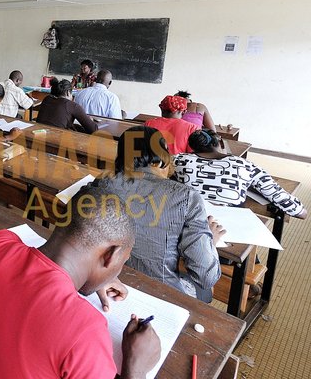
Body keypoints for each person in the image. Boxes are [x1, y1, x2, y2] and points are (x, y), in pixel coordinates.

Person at [0, 184, 161, 379]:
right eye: (122, 262)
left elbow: (43, 255)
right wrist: (136, 367)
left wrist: (96, 276)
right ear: (110, 255)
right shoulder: (86, 331)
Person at [95, 126, 224, 301]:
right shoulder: (186, 197)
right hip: (161, 294)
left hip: (109, 279)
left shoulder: (103, 182)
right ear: (163, 153)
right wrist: (211, 241)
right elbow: (206, 276)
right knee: (204, 292)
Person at [174, 130, 307, 219]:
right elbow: (276, 193)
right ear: (220, 143)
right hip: (228, 226)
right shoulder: (244, 165)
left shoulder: (179, 159)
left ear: (191, 147)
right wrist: (301, 211)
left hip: (186, 220)